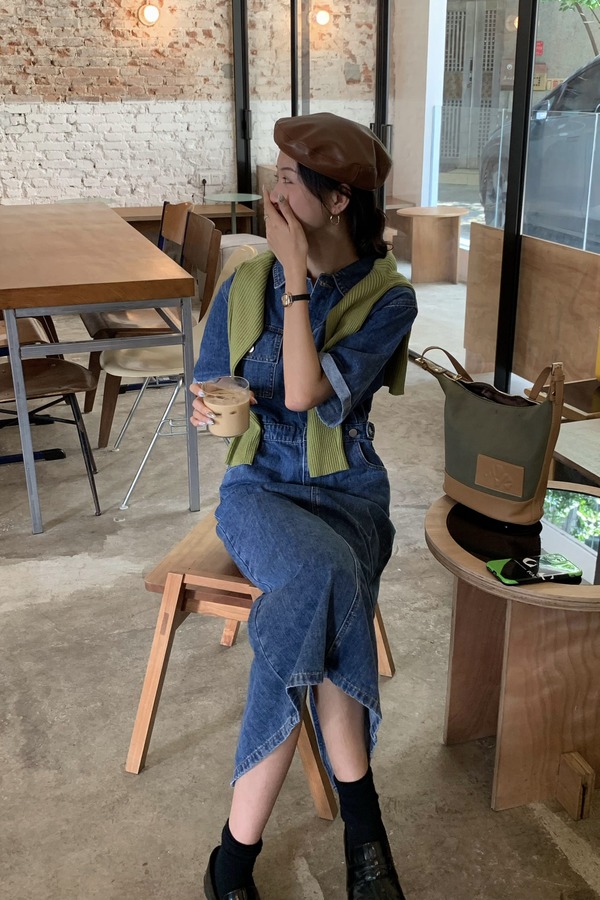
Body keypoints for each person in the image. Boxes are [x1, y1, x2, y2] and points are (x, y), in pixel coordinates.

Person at [190, 111, 417, 900]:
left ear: (339, 199)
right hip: (259, 489)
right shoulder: (245, 280)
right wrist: (208, 405)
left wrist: (294, 279)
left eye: (288, 180)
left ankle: (231, 863)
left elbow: (303, 393)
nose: (273, 192)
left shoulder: (388, 299)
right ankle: (364, 831)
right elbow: (213, 381)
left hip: (348, 493)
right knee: (326, 580)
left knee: (321, 588)